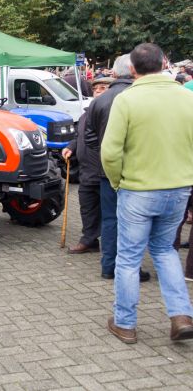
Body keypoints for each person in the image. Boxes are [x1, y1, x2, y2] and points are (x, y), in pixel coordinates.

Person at [101, 43, 193, 343]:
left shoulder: (128, 99)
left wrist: (117, 182)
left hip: (138, 189)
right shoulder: (186, 96)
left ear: (132, 69)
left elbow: (111, 151)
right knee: (166, 251)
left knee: (128, 258)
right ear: (164, 63)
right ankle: (180, 315)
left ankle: (125, 323)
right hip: (178, 188)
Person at [85, 54, 150, 283]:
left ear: (114, 73)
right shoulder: (140, 98)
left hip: (106, 170)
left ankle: (108, 266)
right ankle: (131, 268)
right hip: (137, 171)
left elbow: (89, 136)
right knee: (133, 221)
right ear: (133, 71)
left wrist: (104, 152)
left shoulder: (100, 100)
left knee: (111, 219)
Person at [62, 77, 112, 254]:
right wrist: (71, 147)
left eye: (103, 87)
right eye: (96, 88)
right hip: (86, 171)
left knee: (108, 211)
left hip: (104, 171)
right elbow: (78, 136)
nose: (98, 91)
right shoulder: (86, 113)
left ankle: (111, 246)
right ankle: (89, 240)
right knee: (87, 206)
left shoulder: (112, 112)